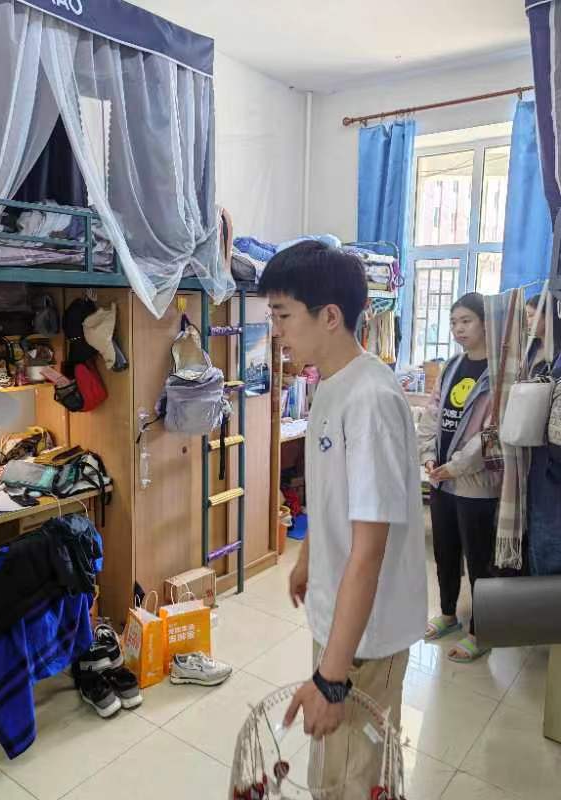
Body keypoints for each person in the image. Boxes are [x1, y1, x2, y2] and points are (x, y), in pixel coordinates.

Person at [258, 241, 427, 798]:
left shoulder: (371, 400)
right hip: (340, 618)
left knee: (353, 779)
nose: (276, 330)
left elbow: (370, 550)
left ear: (329, 316)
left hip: (368, 634)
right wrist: (308, 557)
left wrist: (332, 680)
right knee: (333, 769)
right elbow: (333, 492)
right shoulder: (331, 384)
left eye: (283, 315)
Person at [418, 292, 501, 663]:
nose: (458, 329)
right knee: (445, 552)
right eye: (453, 322)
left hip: (475, 485)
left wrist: (457, 466)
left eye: (466, 321)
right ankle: (449, 614)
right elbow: (432, 413)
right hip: (442, 480)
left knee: (480, 559)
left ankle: (481, 631)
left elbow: (493, 432)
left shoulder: (499, 372)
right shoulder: (452, 365)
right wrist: (428, 456)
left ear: (485, 323)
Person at [525, 293, 561, 575]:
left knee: (547, 531)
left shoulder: (555, 356)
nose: (528, 321)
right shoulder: (529, 351)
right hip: (534, 450)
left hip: (550, 457)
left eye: (532, 315)